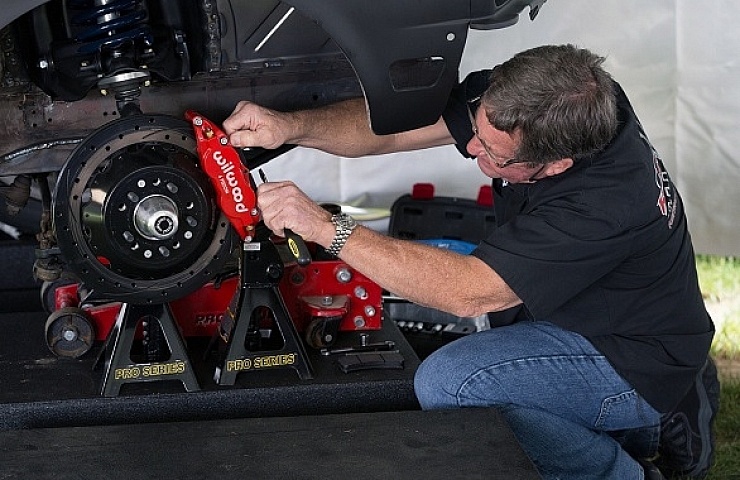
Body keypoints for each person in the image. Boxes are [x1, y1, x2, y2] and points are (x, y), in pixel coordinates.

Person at [223, 44, 719, 480]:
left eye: (494, 156)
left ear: (557, 166)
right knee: (436, 265)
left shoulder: (603, 204)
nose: (471, 147)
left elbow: (468, 293)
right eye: (477, 132)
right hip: (597, 306)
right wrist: (292, 126)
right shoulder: (549, 97)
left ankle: (621, 466)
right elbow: (398, 132)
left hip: (630, 354)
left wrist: (328, 228)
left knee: (453, 384)